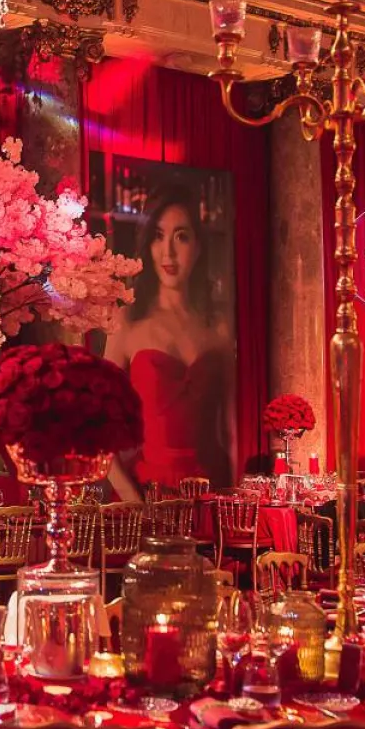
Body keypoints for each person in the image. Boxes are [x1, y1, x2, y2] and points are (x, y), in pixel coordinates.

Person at [104, 186, 234, 499]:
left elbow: (231, 431)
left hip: (213, 493)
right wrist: (134, 503)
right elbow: (99, 430)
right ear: (147, 246)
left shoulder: (219, 327)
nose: (168, 253)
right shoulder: (127, 322)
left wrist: (236, 495)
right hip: (148, 494)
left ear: (199, 246)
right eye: (159, 236)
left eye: (181, 236)